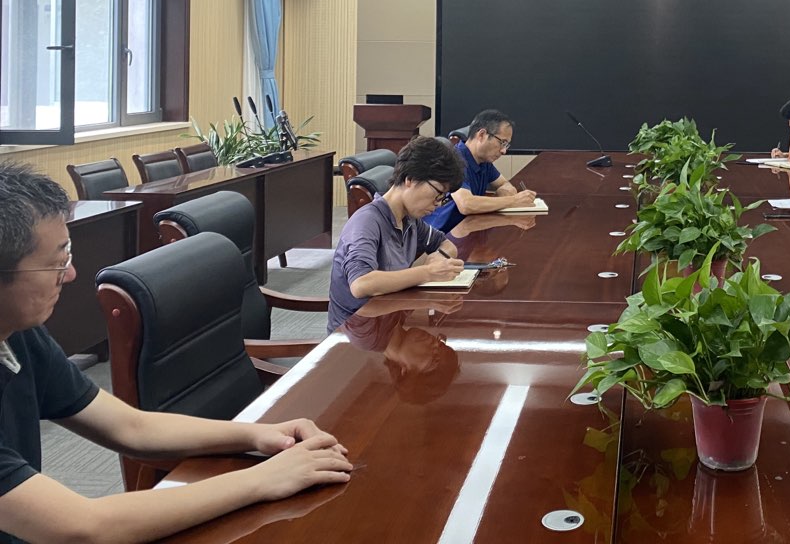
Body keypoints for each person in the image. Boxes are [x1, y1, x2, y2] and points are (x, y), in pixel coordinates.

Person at [0, 163, 352, 544]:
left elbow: (131, 427)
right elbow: (84, 527)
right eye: (56, 261)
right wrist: (265, 479)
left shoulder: (20, 337)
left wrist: (259, 434)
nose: (70, 275)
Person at [328, 136, 468, 332]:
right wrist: (427, 272)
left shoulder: (409, 219)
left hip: (391, 323)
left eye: (443, 198)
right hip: (356, 335)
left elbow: (446, 245)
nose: (437, 204)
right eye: (437, 194)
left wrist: (437, 259)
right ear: (410, 179)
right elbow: (361, 284)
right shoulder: (367, 222)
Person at [425, 110, 538, 233]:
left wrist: (501, 197)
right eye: (502, 142)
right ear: (482, 135)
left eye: (506, 145)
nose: (504, 151)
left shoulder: (484, 161)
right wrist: (514, 201)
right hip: (441, 233)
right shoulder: (455, 159)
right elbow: (466, 205)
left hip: (468, 229)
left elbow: (505, 184)